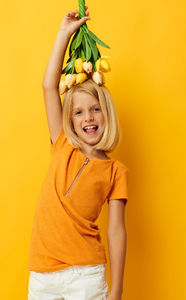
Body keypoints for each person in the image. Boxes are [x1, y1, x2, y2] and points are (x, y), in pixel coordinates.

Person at [27, 5, 129, 300]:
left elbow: (116, 232)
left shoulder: (115, 171)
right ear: (69, 119)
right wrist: (63, 34)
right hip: (42, 272)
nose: (88, 118)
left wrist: (117, 290)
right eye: (79, 112)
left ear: (106, 114)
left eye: (96, 110)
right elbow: (49, 86)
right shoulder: (62, 143)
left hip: (85, 275)